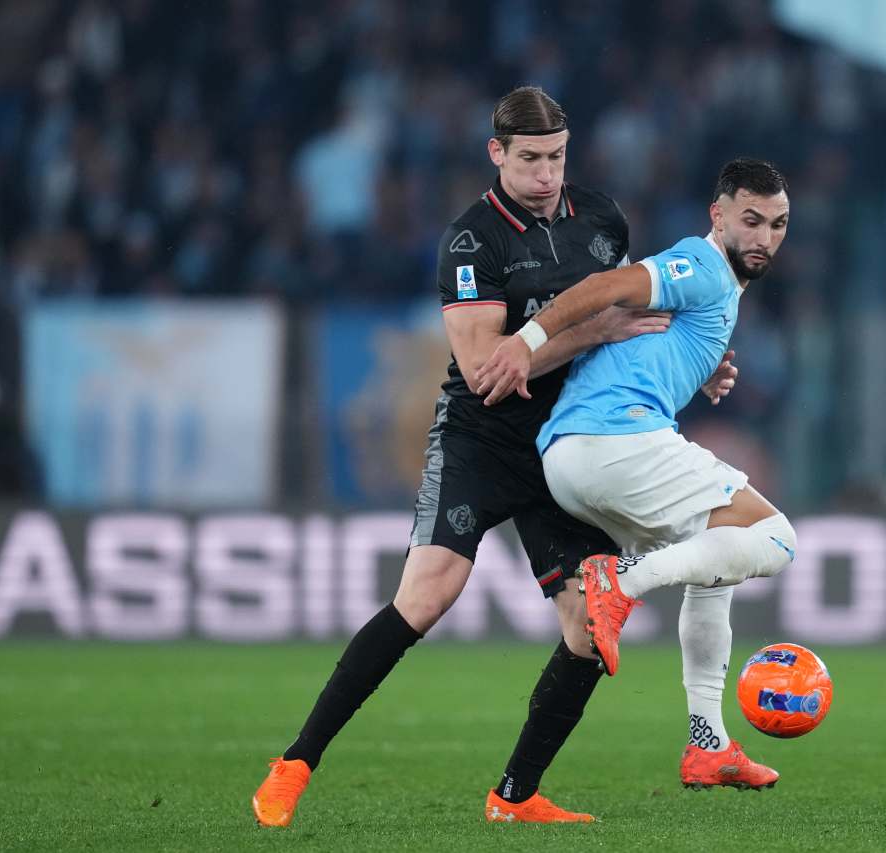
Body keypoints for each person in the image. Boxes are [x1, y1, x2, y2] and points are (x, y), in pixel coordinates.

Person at [251, 85, 681, 828]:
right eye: (530, 159)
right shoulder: (471, 240)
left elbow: (636, 319)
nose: (546, 174)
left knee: (591, 627)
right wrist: (594, 330)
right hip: (481, 440)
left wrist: (697, 363)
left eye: (557, 157)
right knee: (425, 598)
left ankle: (515, 796)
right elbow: (488, 371)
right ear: (496, 154)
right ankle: (294, 763)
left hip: (567, 443)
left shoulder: (603, 219)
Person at [475, 158, 796, 787]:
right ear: (718, 216)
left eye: (778, 225)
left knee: (715, 567)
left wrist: (697, 372)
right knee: (776, 538)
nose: (764, 237)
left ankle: (709, 744)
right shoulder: (701, 264)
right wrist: (525, 343)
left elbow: (637, 347)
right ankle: (622, 579)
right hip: (614, 443)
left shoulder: (719, 290)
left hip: (574, 458)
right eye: (751, 220)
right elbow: (606, 288)